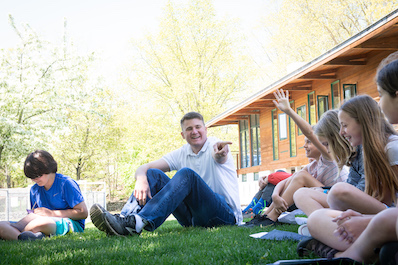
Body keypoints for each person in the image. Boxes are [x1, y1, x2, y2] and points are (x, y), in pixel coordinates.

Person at [296, 53, 398, 264]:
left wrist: (367, 220)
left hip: (387, 220)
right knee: (316, 218)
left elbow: (386, 207)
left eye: (381, 94)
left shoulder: (392, 147)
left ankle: (351, 252)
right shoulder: (372, 151)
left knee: (340, 194)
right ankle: (368, 247)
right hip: (384, 220)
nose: (379, 102)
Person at [90, 112, 242, 236]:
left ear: (205, 129)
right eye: (189, 129)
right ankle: (123, 221)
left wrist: (221, 153)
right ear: (183, 134)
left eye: (198, 127)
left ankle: (137, 223)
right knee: (152, 174)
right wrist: (141, 178)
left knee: (187, 174)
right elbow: (144, 167)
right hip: (193, 218)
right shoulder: (182, 153)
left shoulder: (214, 145)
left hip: (224, 215)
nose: (194, 131)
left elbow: (220, 156)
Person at [244, 90, 350, 227]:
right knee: (299, 175)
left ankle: (271, 217)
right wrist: (275, 196)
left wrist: (289, 111)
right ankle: (266, 215)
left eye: (317, 142)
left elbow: (310, 132)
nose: (305, 146)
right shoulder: (313, 166)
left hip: (340, 201)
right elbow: (286, 181)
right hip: (327, 198)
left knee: (301, 176)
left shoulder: (330, 157)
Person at [0, 150, 88, 241]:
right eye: (31, 177)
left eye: (37, 176)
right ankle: (24, 238)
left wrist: (51, 213)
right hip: (41, 223)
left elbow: (83, 212)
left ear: (48, 169)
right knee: (1, 225)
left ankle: (19, 235)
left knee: (39, 223)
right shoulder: (34, 190)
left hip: (69, 224)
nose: (34, 180)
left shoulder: (65, 183)